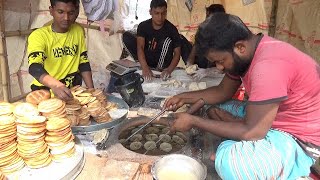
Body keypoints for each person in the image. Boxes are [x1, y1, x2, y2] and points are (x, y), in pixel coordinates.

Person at [164, 13, 320, 179]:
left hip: (299, 139)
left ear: (240, 47)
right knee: (211, 107)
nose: (219, 67)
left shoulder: (267, 66)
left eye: (221, 61)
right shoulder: (247, 55)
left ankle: (262, 155)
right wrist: (183, 96)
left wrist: (194, 121)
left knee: (230, 164)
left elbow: (253, 131)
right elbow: (222, 91)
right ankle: (240, 135)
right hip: (272, 120)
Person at [28, 0, 94, 101]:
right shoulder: (39, 35)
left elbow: (83, 62)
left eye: (71, 13)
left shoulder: (78, 30)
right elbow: (34, 67)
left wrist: (92, 91)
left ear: (76, 12)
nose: (66, 18)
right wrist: (56, 85)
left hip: (72, 92)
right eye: (60, 12)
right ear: (51, 11)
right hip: (45, 93)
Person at [122, 0, 181, 80]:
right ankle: (142, 63)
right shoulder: (143, 26)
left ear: (166, 12)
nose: (160, 17)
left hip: (163, 62)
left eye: (163, 13)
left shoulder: (171, 29)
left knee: (167, 42)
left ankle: (159, 69)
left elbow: (177, 53)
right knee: (126, 36)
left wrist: (169, 70)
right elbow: (140, 47)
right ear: (150, 12)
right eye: (156, 13)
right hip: (148, 57)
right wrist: (145, 67)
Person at [186, 4, 225, 81]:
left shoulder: (226, 36)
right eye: (207, 17)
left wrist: (207, 71)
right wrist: (189, 65)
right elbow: (193, 51)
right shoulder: (203, 30)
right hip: (201, 68)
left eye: (211, 18)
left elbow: (222, 68)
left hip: (218, 74)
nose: (207, 20)